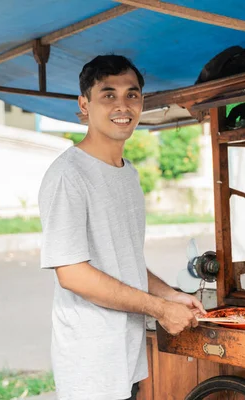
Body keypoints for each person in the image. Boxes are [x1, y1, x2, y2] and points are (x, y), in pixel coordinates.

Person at [38, 55, 206, 400]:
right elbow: (72, 273)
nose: (122, 105)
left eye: (132, 94)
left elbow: (122, 260)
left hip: (124, 355)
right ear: (84, 104)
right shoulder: (68, 175)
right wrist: (159, 309)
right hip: (89, 360)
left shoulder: (127, 174)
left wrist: (169, 295)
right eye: (108, 94)